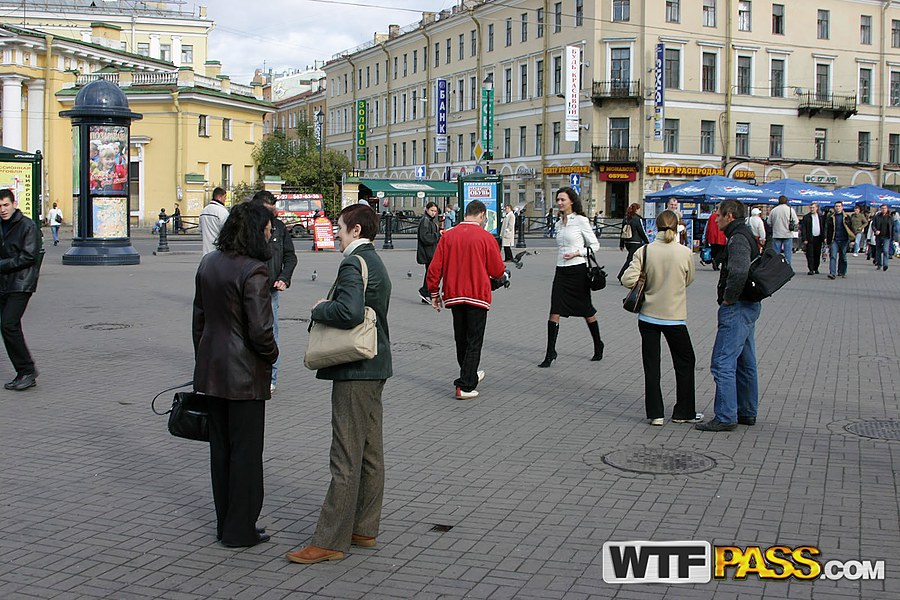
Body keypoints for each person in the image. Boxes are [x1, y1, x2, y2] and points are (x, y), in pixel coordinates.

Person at [286, 204, 392, 564]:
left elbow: (347, 312)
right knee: (369, 453)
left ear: (356, 231)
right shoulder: (375, 261)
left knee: (345, 456)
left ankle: (330, 540)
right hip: (376, 366)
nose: (336, 232)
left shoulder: (352, 263)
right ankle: (364, 528)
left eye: (341, 227)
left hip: (354, 369)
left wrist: (319, 308)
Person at [192, 202, 278, 547]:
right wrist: (272, 356)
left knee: (221, 453)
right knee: (245, 453)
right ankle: (240, 528)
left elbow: (199, 321)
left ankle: (224, 523)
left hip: (212, 371)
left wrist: (204, 356)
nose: (271, 236)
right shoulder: (254, 271)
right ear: (256, 232)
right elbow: (260, 331)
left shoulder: (209, 263)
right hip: (243, 376)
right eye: (268, 231)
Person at [622, 210, 701, 426]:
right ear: (676, 228)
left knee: (652, 364)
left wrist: (645, 279)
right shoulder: (685, 252)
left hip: (648, 315)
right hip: (674, 316)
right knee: (685, 362)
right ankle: (683, 411)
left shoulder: (645, 250)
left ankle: (655, 413)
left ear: (655, 227)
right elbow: (689, 279)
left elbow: (627, 279)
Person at [426, 200, 506, 400]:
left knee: (461, 338)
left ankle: (468, 373)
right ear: (480, 215)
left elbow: (435, 267)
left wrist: (434, 293)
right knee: (474, 340)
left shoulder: (449, 236)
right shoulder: (486, 237)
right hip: (477, 294)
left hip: (454, 294)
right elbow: (497, 270)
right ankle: (466, 386)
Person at [696, 199, 761, 432]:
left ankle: (725, 415)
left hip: (738, 306)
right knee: (745, 361)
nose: (715, 217)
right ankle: (746, 410)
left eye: (718, 214)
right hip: (748, 305)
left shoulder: (738, 239)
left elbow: (739, 270)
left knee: (722, 362)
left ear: (729, 216)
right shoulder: (744, 234)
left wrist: (729, 297)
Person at [537, 187, 603, 368]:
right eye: (558, 199)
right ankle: (550, 352)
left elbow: (595, 245)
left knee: (587, 310)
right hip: (561, 271)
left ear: (571, 201)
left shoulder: (580, 221)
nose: (559, 203)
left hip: (578, 271)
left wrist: (577, 252)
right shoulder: (558, 223)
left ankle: (598, 343)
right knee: (554, 310)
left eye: (562, 200)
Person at [251, 191, 298, 391]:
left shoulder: (279, 228)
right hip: (250, 288)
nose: (273, 215)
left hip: (270, 289)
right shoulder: (248, 229)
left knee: (271, 332)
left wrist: (284, 278)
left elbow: (290, 256)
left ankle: (271, 377)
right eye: (268, 211)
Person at [0, 190, 41, 391]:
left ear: (14, 204)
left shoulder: (27, 226)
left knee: (9, 325)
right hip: (4, 284)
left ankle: (27, 370)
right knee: (7, 327)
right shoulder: (1, 225)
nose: (2, 210)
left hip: (21, 284)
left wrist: (2, 265)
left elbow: (29, 256)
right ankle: (23, 371)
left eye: (6, 205)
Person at [416, 202, 441, 303]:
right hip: (428, 252)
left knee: (431, 272)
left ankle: (427, 293)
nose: (433, 213)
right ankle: (425, 291)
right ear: (426, 210)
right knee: (431, 272)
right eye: (432, 210)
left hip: (430, 251)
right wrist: (437, 235)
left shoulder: (430, 221)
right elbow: (425, 237)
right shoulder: (425, 221)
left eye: (435, 211)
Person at [618, 202, 649, 281]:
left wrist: (621, 244)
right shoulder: (637, 219)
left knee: (632, 258)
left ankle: (628, 275)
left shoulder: (626, 218)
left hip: (627, 241)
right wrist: (647, 241)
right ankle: (621, 275)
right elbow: (641, 231)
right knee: (630, 259)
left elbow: (622, 231)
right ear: (637, 210)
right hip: (636, 242)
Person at [767, 195, 799, 266]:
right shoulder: (790, 210)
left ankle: (776, 267)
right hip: (787, 234)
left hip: (776, 234)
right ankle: (787, 268)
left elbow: (769, 222)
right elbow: (796, 222)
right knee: (788, 254)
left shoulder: (774, 210)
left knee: (775, 254)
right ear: (786, 201)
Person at [824, 201, 853, 279]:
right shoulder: (831, 217)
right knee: (833, 256)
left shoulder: (847, 217)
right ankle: (832, 273)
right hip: (834, 239)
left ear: (842, 207)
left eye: (839, 206)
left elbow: (851, 228)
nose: (837, 208)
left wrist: (852, 239)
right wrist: (826, 237)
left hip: (844, 239)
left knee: (843, 256)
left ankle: (842, 271)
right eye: (836, 206)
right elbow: (826, 228)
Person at [200, 187, 229, 256]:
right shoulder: (222, 212)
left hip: (206, 251)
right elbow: (226, 231)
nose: (225, 199)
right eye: (224, 197)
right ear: (219, 197)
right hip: (218, 252)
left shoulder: (204, 211)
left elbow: (200, 230)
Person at [800, 202, 825, 276]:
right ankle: (811, 269)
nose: (812, 209)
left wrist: (824, 237)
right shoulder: (806, 217)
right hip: (810, 238)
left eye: (813, 208)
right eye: (811, 208)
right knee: (810, 254)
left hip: (818, 238)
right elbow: (803, 229)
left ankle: (816, 268)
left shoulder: (821, 216)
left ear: (817, 208)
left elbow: (823, 227)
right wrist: (804, 238)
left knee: (817, 254)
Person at [872, 203, 893, 271]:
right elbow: (873, 225)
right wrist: (875, 231)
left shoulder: (890, 217)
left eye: (885, 208)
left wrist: (893, 237)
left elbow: (893, 227)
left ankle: (885, 264)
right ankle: (879, 264)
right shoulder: (877, 216)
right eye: (882, 208)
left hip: (887, 236)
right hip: (879, 236)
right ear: (880, 209)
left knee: (885, 250)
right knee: (878, 250)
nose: (884, 210)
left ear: (887, 209)